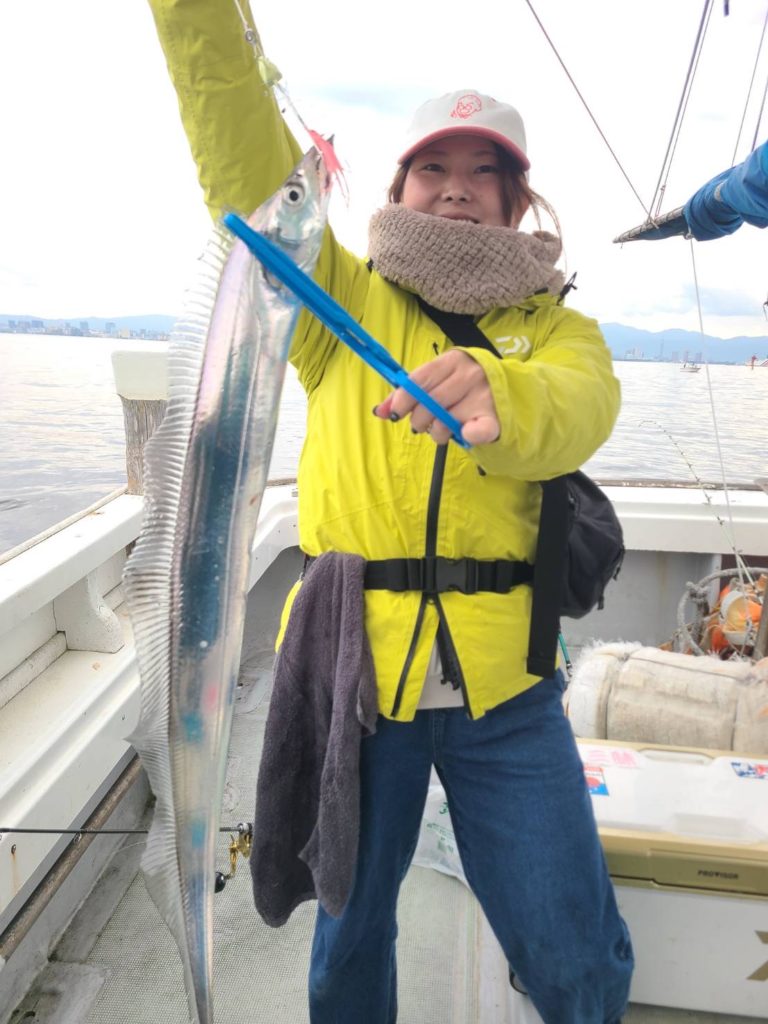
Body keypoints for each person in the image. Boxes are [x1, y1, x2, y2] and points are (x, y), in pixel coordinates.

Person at [146, 8, 633, 1022]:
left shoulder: (559, 330)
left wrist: (504, 392)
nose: (456, 185)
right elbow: (245, 160)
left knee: (574, 947)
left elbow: (579, 409)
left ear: (516, 201)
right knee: (349, 940)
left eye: (485, 171)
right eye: (433, 167)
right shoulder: (337, 299)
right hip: (355, 678)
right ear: (399, 189)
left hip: (511, 688)